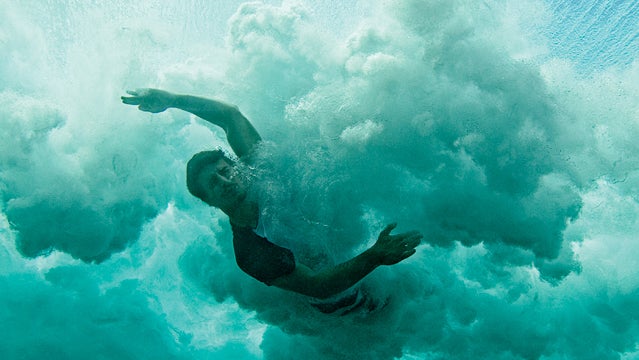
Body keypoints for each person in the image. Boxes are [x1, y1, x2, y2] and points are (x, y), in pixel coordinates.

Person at [121, 88, 423, 303]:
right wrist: (375, 255)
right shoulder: (250, 250)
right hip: (344, 304)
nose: (224, 181)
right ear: (209, 202)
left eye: (225, 171)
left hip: (360, 253)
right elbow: (319, 287)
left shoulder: (260, 166)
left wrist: (173, 100)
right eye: (213, 184)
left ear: (237, 165)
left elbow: (229, 116)